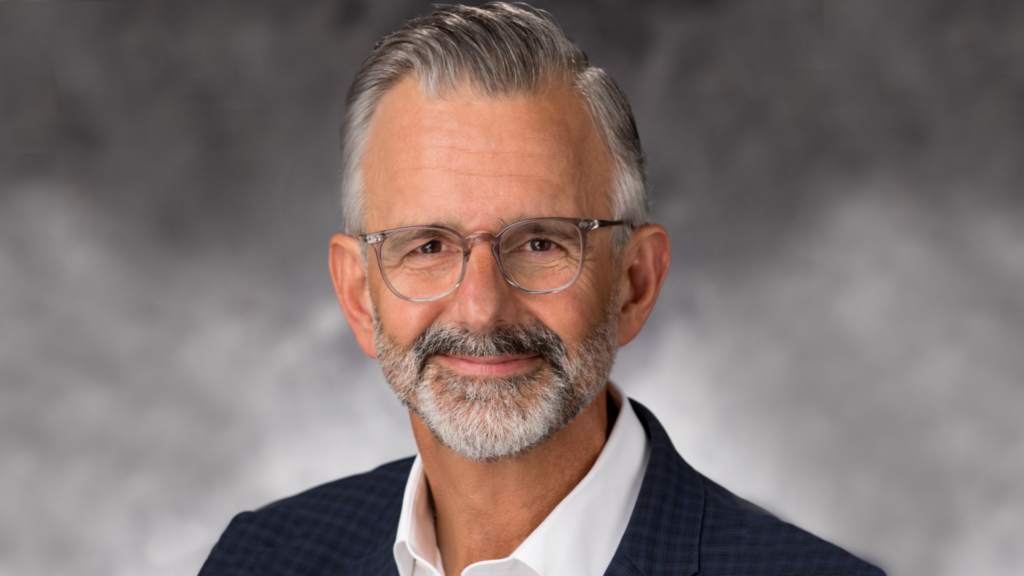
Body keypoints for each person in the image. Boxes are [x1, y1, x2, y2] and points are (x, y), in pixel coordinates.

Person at [199, 3, 884, 575]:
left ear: (635, 283)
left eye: (540, 243)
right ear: (357, 295)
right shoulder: (261, 560)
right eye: (429, 246)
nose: (481, 308)